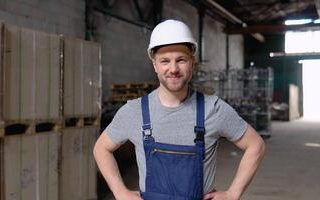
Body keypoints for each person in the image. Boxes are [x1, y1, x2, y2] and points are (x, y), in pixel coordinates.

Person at [93, 19, 265, 200]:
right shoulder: (134, 111)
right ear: (155, 65)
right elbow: (101, 149)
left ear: (192, 62)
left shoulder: (213, 109)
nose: (173, 69)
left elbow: (256, 145)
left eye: (181, 60)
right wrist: (120, 192)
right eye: (165, 61)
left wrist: (232, 194)